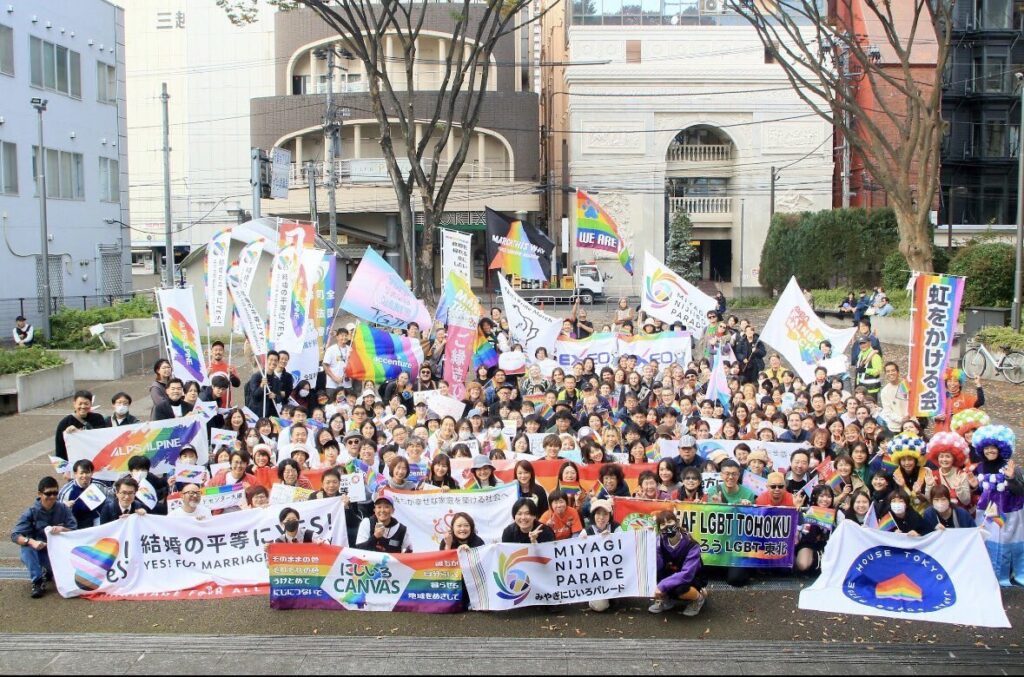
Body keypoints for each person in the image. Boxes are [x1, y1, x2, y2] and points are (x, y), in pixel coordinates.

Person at [12, 477, 77, 597]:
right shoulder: (30, 512)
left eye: (55, 493)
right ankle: (37, 582)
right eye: (48, 493)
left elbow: (74, 529)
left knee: (61, 574)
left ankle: (48, 571)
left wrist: (63, 529)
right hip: (36, 549)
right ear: (40, 494)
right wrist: (31, 541)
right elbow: (15, 535)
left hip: (55, 549)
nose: (52, 497)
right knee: (27, 550)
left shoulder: (63, 508)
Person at [649, 510, 707, 616]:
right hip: (672, 572)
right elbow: (658, 566)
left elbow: (687, 574)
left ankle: (699, 598)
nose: (667, 526)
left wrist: (662, 586)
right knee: (654, 575)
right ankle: (666, 599)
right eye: (662, 524)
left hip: (691, 578)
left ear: (677, 522)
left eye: (670, 521)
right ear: (660, 529)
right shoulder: (659, 541)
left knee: (681, 589)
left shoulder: (692, 545)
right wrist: (650, 544)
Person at [54, 390, 108, 461]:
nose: (83, 406)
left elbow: (102, 439)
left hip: (95, 460)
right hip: (75, 464)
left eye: (86, 403)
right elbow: (60, 449)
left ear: (91, 404)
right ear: (74, 404)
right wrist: (65, 469)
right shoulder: (65, 423)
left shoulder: (98, 418)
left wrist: (79, 432)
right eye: (80, 404)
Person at [56, 459, 103, 528]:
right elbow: (56, 509)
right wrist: (64, 506)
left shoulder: (98, 486)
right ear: (75, 474)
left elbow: (112, 496)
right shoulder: (66, 491)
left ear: (92, 473)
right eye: (81, 473)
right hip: (74, 523)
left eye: (87, 472)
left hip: (95, 520)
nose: (84, 476)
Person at [206, 340, 241, 408]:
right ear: (211, 352)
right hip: (209, 405)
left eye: (220, 350)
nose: (218, 352)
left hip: (226, 406)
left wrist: (231, 375)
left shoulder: (230, 367)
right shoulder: (206, 367)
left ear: (223, 352)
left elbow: (237, 384)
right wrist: (207, 374)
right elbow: (200, 386)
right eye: (215, 350)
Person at [322, 327, 352, 397]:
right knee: (332, 405)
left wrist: (349, 373)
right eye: (342, 335)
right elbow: (325, 365)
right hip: (333, 385)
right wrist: (334, 378)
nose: (344, 337)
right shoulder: (331, 349)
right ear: (337, 337)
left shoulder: (350, 349)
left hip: (347, 385)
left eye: (346, 335)